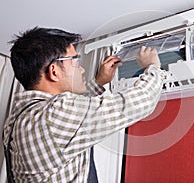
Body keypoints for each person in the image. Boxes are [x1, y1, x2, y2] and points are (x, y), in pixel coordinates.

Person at [3, 27, 166, 182]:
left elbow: (71, 122)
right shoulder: (54, 116)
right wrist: (152, 67)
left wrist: (99, 82)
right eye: (74, 62)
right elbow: (140, 102)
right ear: (54, 72)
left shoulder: (18, 119)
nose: (81, 69)